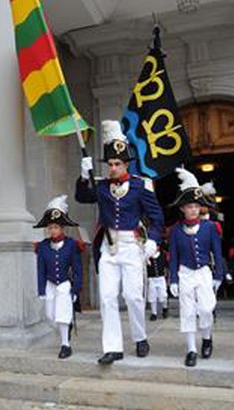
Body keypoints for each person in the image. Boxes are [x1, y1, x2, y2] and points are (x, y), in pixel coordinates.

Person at [75, 120, 164, 365]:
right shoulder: (102, 186)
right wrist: (84, 176)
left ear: (126, 164)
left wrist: (153, 243)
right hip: (108, 247)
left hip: (131, 247)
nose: (112, 168)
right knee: (107, 297)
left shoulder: (140, 185)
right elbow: (82, 197)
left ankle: (140, 337)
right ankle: (113, 347)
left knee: (134, 296)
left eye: (117, 164)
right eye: (110, 164)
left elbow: (157, 218)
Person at [168, 168, 223, 367]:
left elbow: (217, 252)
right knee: (188, 311)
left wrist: (219, 274)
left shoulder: (210, 228)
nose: (193, 209)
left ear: (200, 208)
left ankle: (207, 337)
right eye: (189, 206)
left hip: (204, 273)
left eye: (196, 206)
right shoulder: (175, 231)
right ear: (182, 208)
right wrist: (173, 279)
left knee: (207, 308)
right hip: (185, 273)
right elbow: (173, 257)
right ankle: (191, 349)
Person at [34, 195, 84, 359]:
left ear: (62, 228)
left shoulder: (71, 245)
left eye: (55, 227)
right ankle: (66, 328)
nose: (52, 230)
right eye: (50, 227)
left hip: (64, 284)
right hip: (49, 284)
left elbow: (77, 269)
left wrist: (76, 289)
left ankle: (65, 345)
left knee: (63, 314)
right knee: (50, 316)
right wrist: (41, 290)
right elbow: (40, 269)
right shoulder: (42, 246)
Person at [147, 245, 169, 321]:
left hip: (161, 278)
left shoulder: (162, 255)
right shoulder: (147, 256)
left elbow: (166, 266)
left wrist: (166, 274)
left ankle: (165, 308)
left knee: (163, 295)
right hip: (152, 278)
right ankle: (154, 313)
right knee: (152, 296)